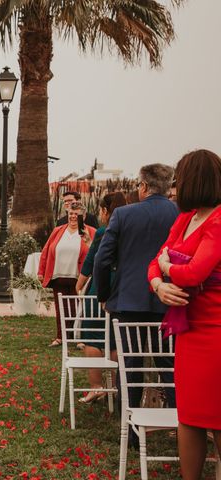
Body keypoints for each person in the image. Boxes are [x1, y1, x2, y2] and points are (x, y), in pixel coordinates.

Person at [147, 149, 221, 479]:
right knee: (188, 415)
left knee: (217, 418)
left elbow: (194, 273)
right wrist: (158, 285)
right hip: (188, 333)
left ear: (195, 180)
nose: (176, 186)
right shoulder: (185, 219)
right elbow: (153, 263)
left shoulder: (218, 221)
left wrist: (166, 266)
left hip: (215, 332)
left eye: (180, 178)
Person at [94, 164, 178, 428]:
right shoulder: (181, 215)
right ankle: (180, 428)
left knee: (130, 366)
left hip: (128, 301)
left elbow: (102, 260)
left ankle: (128, 429)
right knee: (169, 366)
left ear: (143, 186)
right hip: (169, 302)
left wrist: (105, 295)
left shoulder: (123, 214)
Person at [74, 192, 127, 403]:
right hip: (121, 287)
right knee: (114, 340)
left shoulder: (105, 230)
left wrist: (79, 283)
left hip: (101, 287)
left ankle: (96, 386)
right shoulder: (129, 229)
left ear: (105, 211)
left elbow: (93, 260)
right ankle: (115, 388)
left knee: (93, 335)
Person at [38, 202, 96, 347]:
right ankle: (61, 336)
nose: (73, 217)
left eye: (76, 214)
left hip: (80, 277)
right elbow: (46, 251)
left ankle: (80, 338)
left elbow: (97, 252)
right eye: (71, 213)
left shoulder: (91, 231)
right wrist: (41, 271)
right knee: (61, 307)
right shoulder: (58, 230)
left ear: (83, 216)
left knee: (79, 308)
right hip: (59, 276)